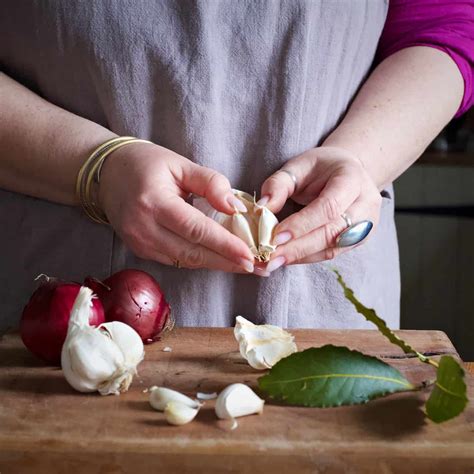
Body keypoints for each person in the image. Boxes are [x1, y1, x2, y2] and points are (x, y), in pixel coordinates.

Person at [1, 1, 472, 331]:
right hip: (59, 282)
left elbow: (446, 25)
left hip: (325, 298)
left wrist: (362, 157)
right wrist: (96, 166)